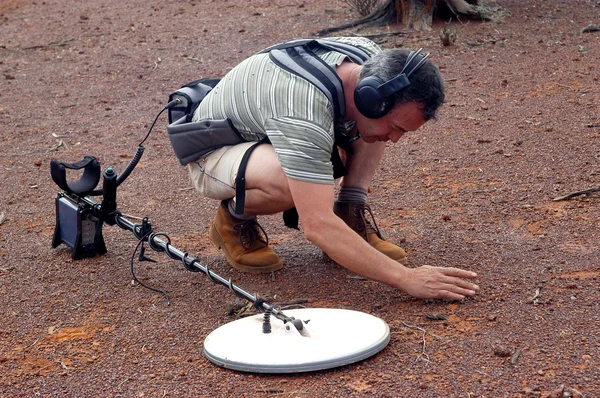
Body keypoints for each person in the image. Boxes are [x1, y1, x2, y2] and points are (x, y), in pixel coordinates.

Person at [186, 36, 479, 301]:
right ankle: (233, 220)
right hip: (214, 154)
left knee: (372, 128)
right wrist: (407, 278)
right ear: (370, 96)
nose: (396, 139)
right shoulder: (301, 109)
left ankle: (349, 213)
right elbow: (317, 225)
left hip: (271, 132)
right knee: (290, 180)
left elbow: (374, 124)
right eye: (398, 127)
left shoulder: (371, 65)